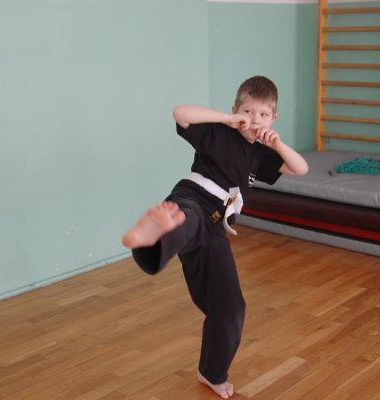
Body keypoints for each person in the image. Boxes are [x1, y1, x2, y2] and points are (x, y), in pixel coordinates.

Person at [122, 76, 308, 399]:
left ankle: (212, 372)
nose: (254, 120)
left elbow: (300, 168)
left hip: (217, 226)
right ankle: (150, 237)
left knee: (231, 307)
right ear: (236, 109)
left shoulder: (261, 155)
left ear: (273, 119)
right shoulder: (218, 133)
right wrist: (226, 119)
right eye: (247, 111)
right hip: (193, 200)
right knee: (185, 220)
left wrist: (277, 144)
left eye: (263, 115)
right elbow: (180, 113)